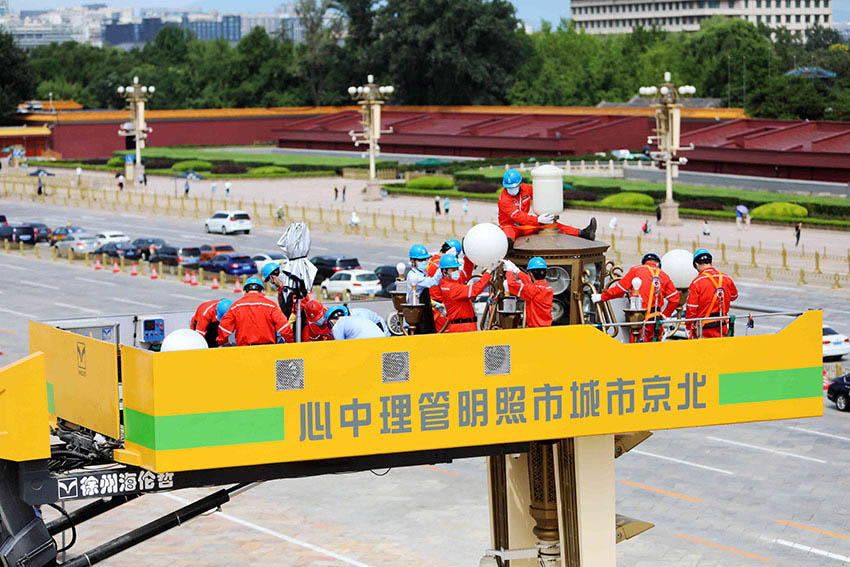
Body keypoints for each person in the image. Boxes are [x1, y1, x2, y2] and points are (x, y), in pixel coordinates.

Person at [592, 253, 679, 343]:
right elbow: (675, 298)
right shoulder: (663, 275)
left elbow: (620, 290)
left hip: (639, 319)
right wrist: (665, 315)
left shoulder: (636, 270)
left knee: (637, 348)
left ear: (644, 263)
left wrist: (602, 296)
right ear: (658, 264)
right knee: (655, 348)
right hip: (656, 320)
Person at [498, 169, 596, 247]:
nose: (512, 189)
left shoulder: (526, 189)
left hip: (525, 225)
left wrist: (550, 205)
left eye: (514, 187)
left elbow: (540, 195)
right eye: (509, 188)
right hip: (510, 225)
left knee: (552, 226)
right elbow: (518, 216)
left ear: (520, 184)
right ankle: (508, 250)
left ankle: (583, 233)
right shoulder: (504, 199)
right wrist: (538, 220)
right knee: (508, 234)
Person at [218, 276, 294, 346]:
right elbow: (284, 327)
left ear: (245, 291)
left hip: (244, 351)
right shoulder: (271, 306)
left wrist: (223, 342)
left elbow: (224, 328)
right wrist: (290, 342)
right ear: (262, 291)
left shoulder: (235, 307)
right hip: (267, 350)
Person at [685, 249, 738, 339]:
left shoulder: (697, 282)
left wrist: (688, 327)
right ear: (710, 262)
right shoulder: (725, 278)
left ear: (697, 265)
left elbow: (691, 309)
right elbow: (734, 296)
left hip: (704, 328)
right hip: (722, 325)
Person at [435, 254, 492, 333]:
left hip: (464, 325)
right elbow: (474, 290)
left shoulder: (450, 281)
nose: (456, 271)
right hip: (462, 327)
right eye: (453, 269)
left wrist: (468, 255)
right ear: (444, 272)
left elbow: (466, 273)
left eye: (457, 268)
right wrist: (488, 272)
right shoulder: (451, 288)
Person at [503, 257, 553, 328]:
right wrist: (517, 271)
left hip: (535, 330)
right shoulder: (548, 288)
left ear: (531, 274)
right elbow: (531, 283)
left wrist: (509, 271)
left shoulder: (533, 290)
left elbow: (511, 284)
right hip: (547, 327)